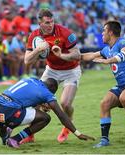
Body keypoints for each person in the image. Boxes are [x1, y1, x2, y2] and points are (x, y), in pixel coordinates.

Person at [81, 21, 125, 148]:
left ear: (110, 32)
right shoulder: (106, 49)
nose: (102, 33)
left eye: (104, 31)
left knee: (124, 98)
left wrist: (108, 61)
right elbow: (89, 56)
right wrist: (66, 55)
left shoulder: (123, 43)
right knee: (104, 103)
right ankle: (104, 139)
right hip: (122, 86)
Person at [24, 9, 81, 143]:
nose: (50, 25)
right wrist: (38, 49)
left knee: (65, 104)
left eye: (52, 22)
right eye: (47, 22)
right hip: (51, 70)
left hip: (71, 70)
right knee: (35, 102)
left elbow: (77, 54)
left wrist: (61, 55)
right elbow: (27, 60)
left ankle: (67, 127)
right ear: (40, 23)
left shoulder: (64, 32)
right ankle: (29, 135)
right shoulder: (34, 36)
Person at [0, 77, 93, 148]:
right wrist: (77, 133)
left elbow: (25, 97)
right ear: (52, 89)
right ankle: (15, 139)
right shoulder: (47, 93)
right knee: (45, 118)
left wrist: (40, 103)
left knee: (3, 123)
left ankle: (5, 138)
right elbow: (61, 115)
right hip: (9, 111)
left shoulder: (31, 79)